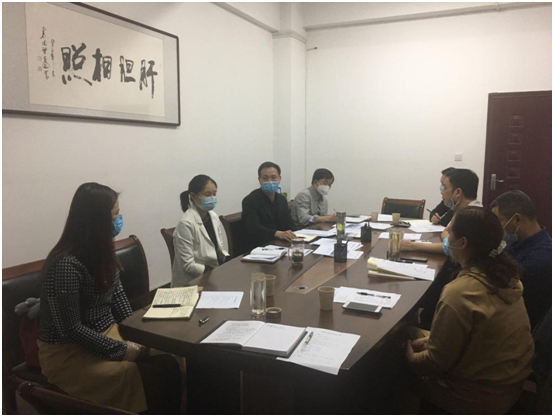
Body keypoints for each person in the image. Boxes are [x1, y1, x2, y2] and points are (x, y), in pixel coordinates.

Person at [38, 183, 181, 414]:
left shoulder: (102, 251)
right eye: (115, 215)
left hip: (107, 334)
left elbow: (118, 297)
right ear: (96, 220)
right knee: (148, 375)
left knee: (168, 361)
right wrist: (124, 350)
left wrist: (139, 333)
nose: (119, 220)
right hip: (69, 353)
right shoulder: (65, 264)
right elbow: (71, 329)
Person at [405, 207, 534, 414]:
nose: (447, 237)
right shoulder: (507, 277)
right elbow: (477, 333)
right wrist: (432, 341)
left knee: (390, 360)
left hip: (473, 397)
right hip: (509, 385)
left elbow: (435, 363)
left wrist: (407, 354)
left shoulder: (459, 292)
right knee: (413, 334)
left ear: (462, 242)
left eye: (450, 232)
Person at [491, 190, 552, 330]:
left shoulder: (540, 259)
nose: (495, 228)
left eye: (498, 222)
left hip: (518, 327)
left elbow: (498, 290)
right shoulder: (518, 242)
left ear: (517, 219)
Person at [401, 168, 482, 254]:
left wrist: (412, 246)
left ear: (458, 192)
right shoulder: (463, 210)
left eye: (445, 187)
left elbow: (453, 248)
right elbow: (446, 232)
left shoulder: (471, 216)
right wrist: (449, 240)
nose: (441, 192)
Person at [172, 175, 230, 287]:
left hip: (212, 275)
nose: (212, 198)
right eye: (207, 194)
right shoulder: (186, 223)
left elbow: (220, 250)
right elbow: (188, 265)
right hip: (192, 282)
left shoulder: (213, 216)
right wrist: (215, 272)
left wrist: (229, 261)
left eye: (214, 194)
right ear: (194, 196)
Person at [242, 161, 296, 249]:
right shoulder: (250, 201)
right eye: (265, 178)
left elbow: (289, 224)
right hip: (260, 247)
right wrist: (277, 233)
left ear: (279, 179)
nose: (269, 181)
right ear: (259, 180)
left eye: (273, 177)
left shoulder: (281, 199)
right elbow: (254, 229)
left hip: (281, 245)